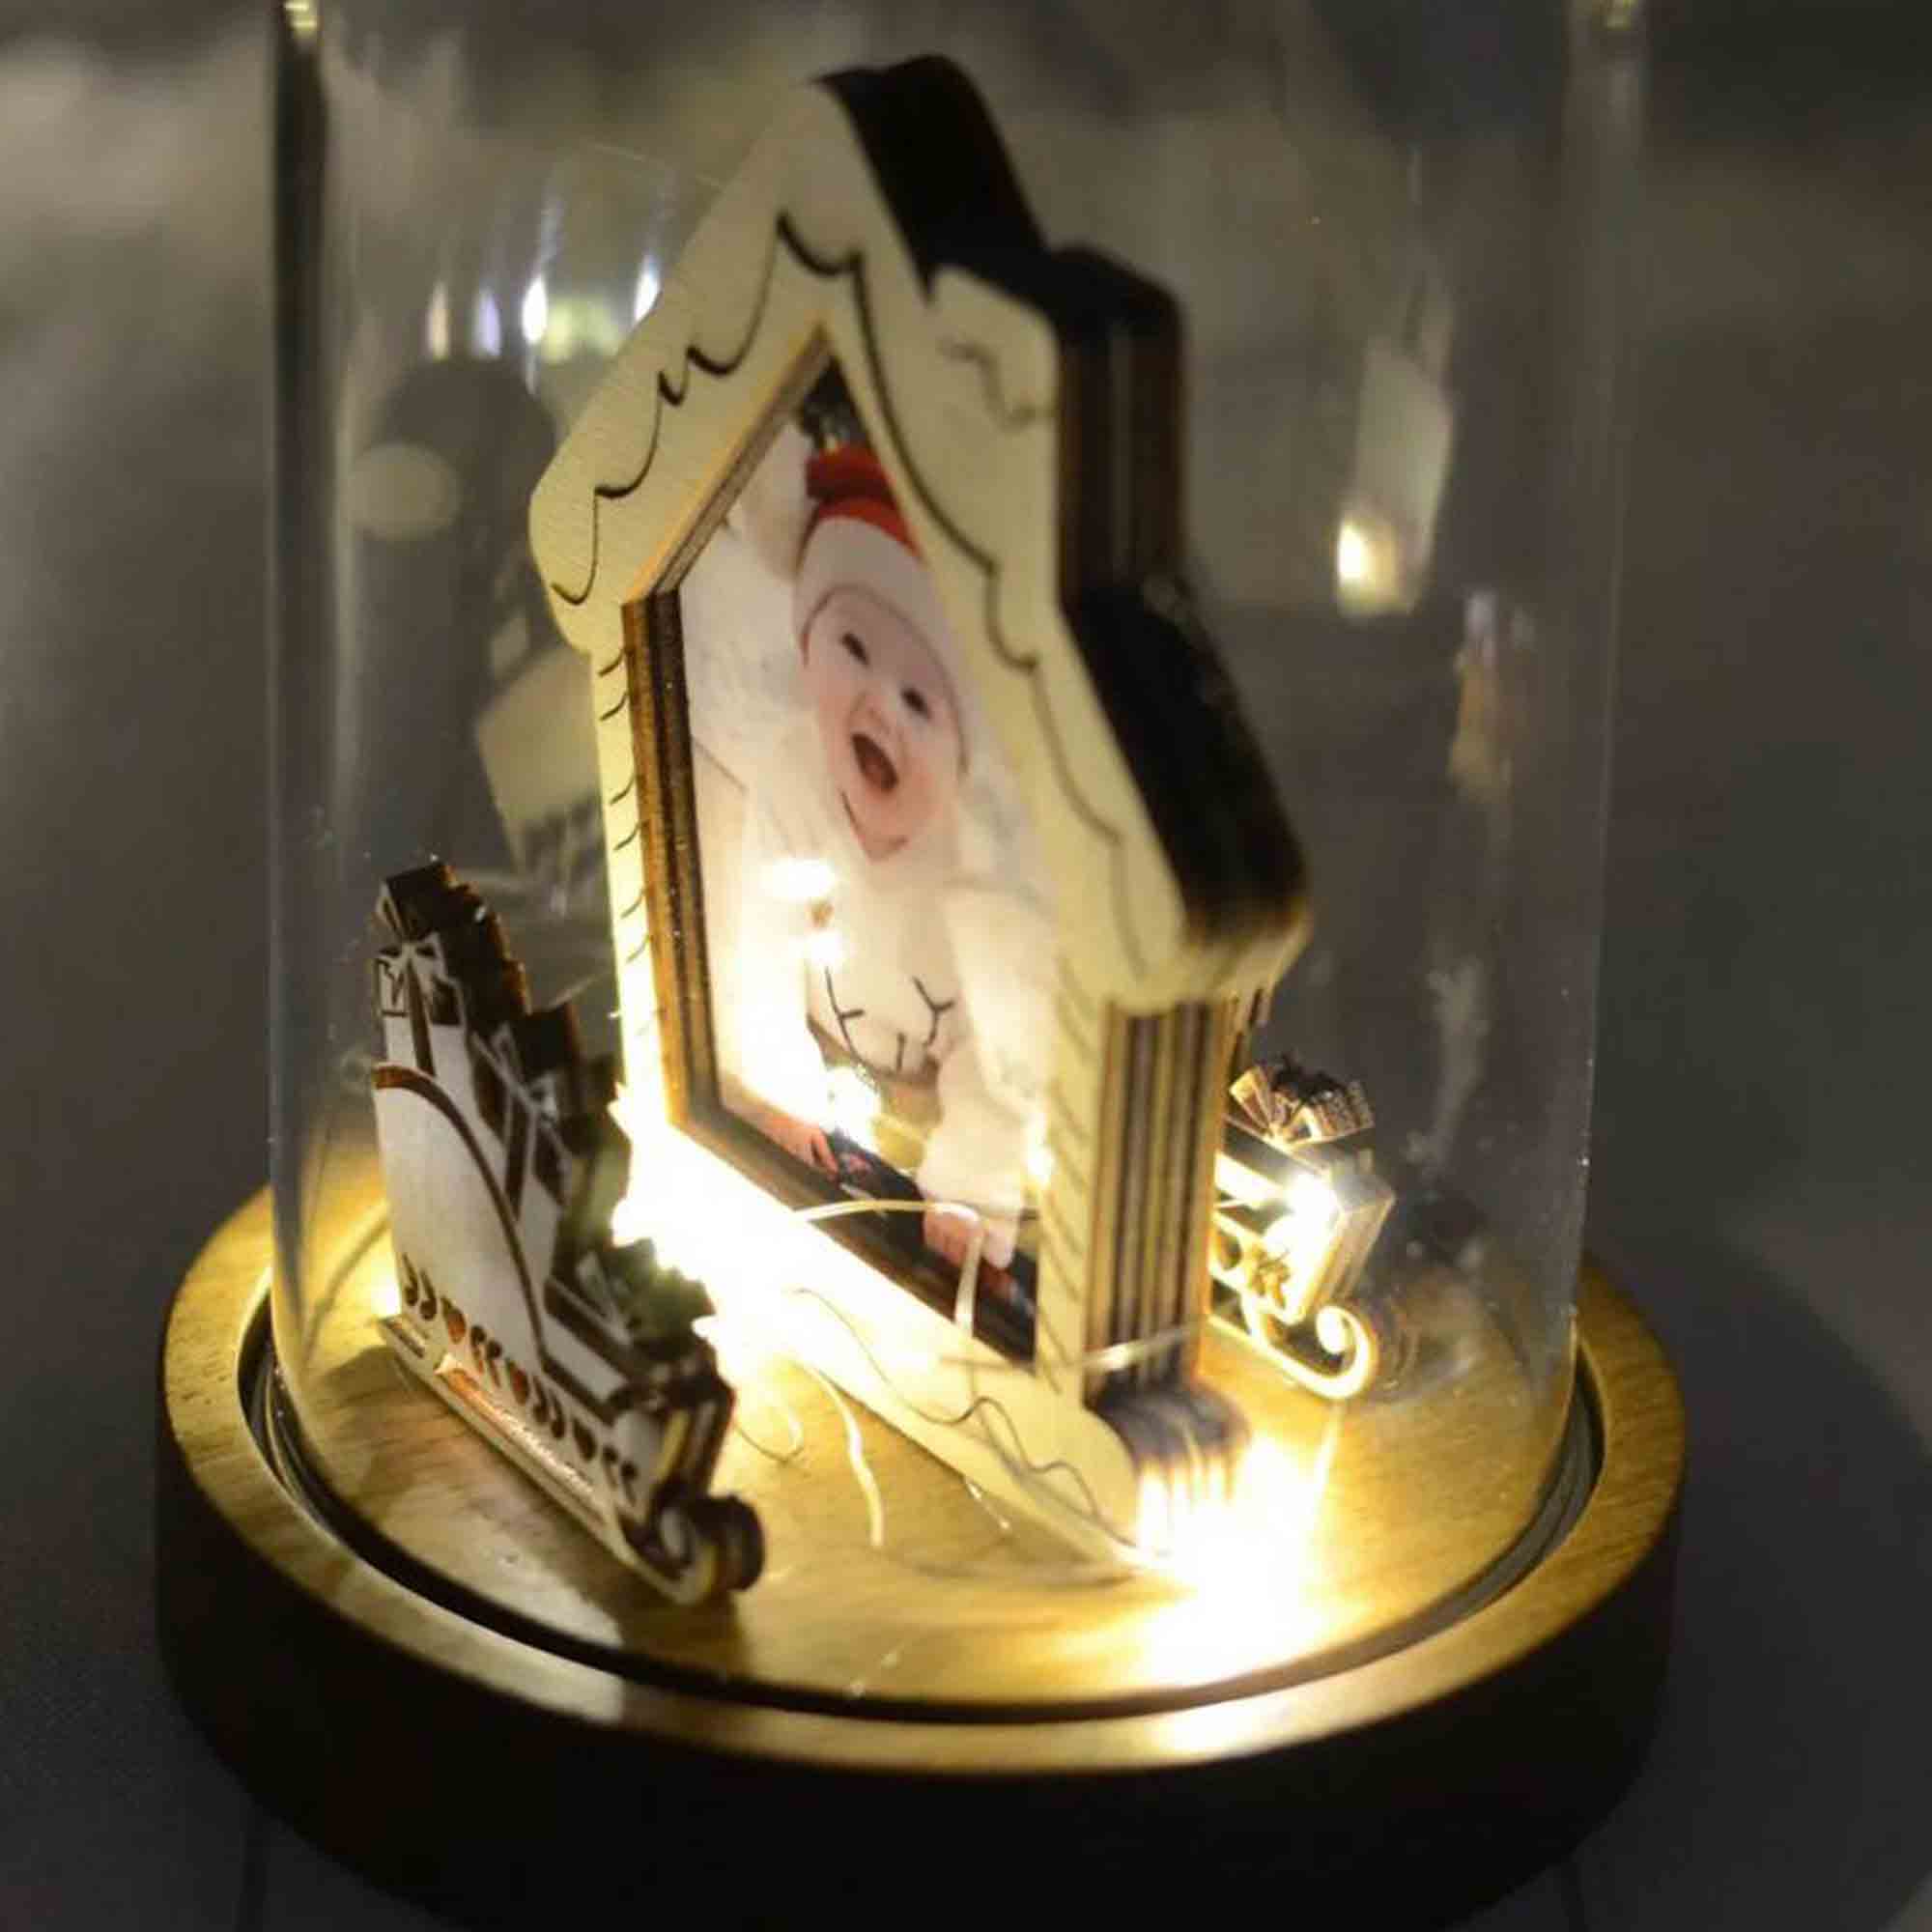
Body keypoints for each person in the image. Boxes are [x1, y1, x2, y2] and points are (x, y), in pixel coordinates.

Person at [725, 440, 1045, 1274]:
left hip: (935, 1102)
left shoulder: (984, 857)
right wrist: (783, 1092)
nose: (878, 705)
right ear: (807, 647)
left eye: (918, 699)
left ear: (971, 745)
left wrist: (969, 1180)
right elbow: (761, 946)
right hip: (825, 1073)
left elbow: (1002, 1048)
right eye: (853, 650)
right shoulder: (793, 774)